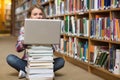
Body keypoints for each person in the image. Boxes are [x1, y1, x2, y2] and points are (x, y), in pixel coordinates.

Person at [6, 4, 65, 79]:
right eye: (35, 14)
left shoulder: (49, 28)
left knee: (61, 61)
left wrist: (50, 41)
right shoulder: (24, 29)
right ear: (30, 16)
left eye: (40, 14)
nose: (38, 16)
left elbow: (54, 49)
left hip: (45, 61)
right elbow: (17, 49)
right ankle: (45, 72)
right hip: (29, 62)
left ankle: (26, 72)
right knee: (10, 58)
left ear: (43, 15)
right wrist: (24, 42)